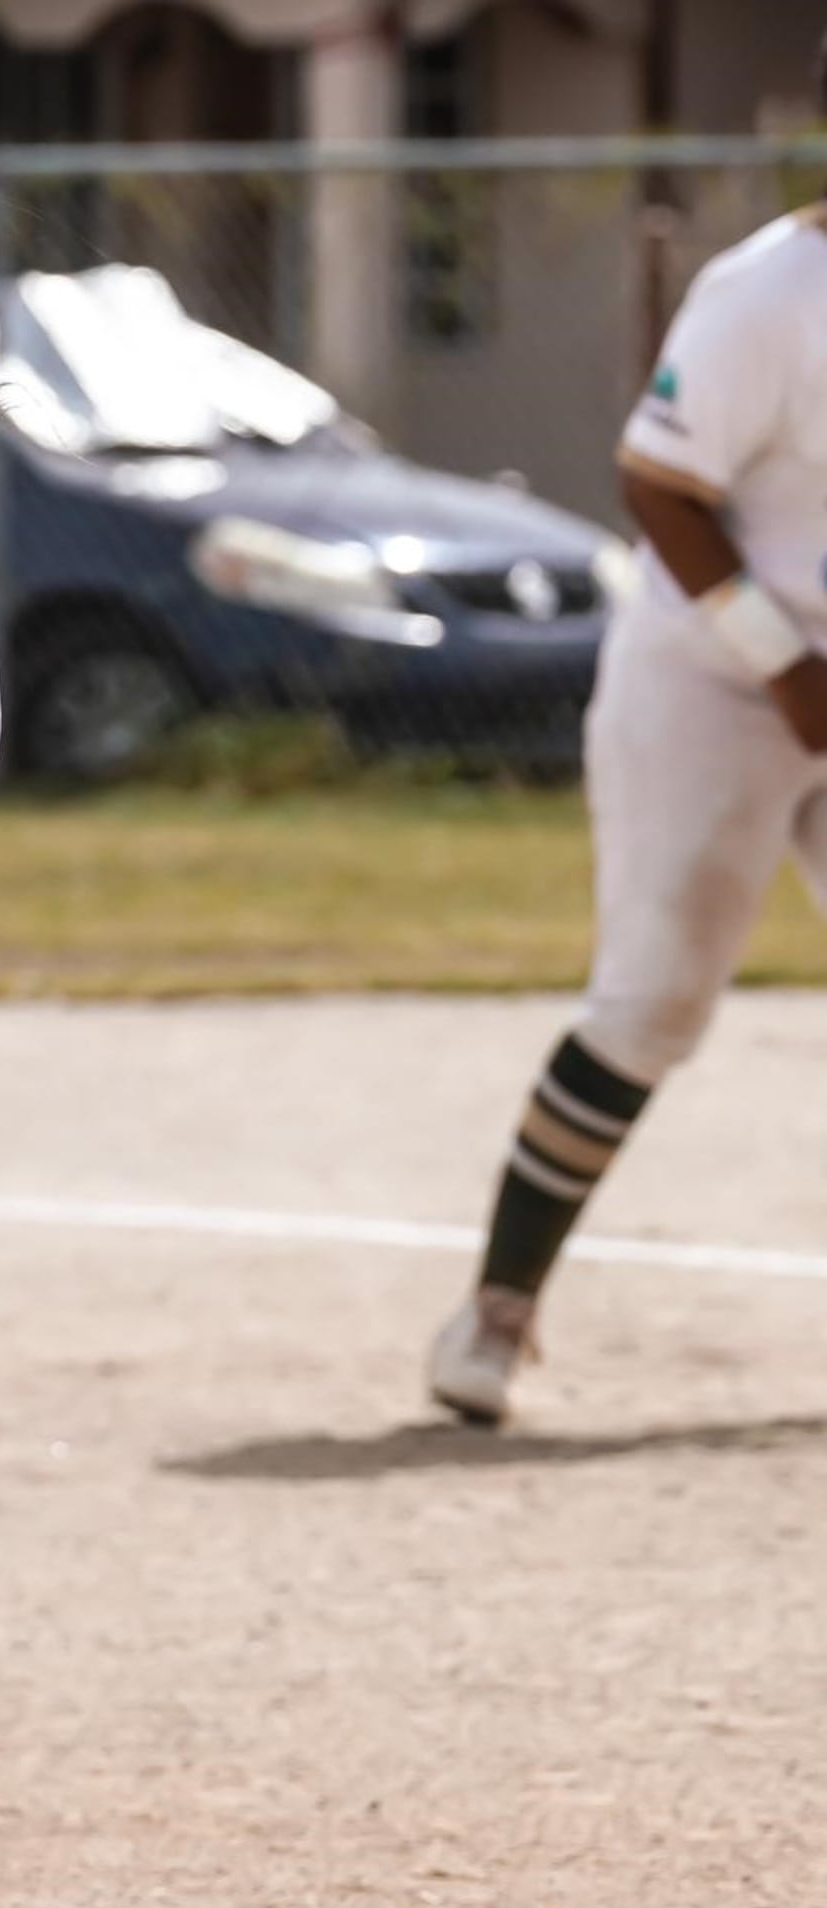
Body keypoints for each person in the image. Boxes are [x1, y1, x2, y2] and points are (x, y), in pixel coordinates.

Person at [426, 173, 827, 1423]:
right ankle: (494, 1312)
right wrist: (785, 659)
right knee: (653, 1002)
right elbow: (657, 486)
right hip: (712, 683)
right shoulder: (769, 292)